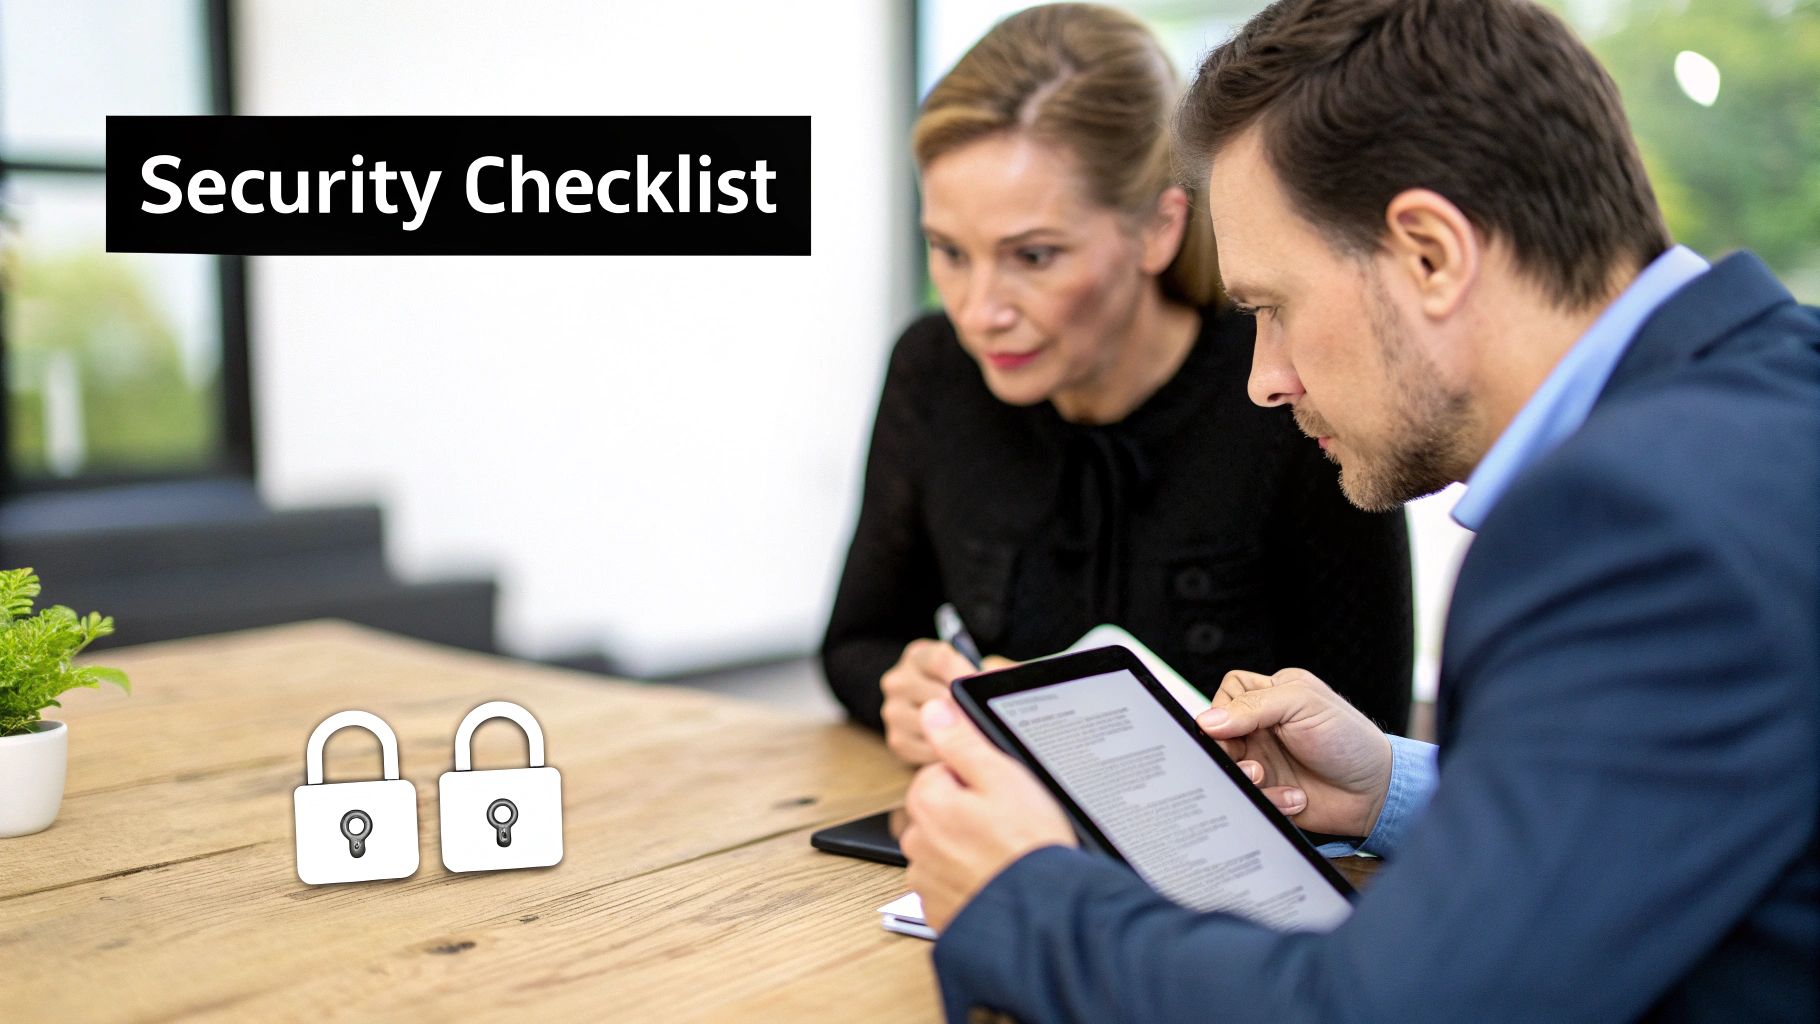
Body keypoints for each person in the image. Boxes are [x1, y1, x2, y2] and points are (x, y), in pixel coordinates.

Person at [899, 0, 1820, 1020]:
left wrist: (1020, 899)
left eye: (1270, 308)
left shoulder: (1627, 521)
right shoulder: (1772, 389)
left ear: (1428, 253)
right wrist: (1393, 785)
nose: (1263, 379)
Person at [821, 3, 1415, 769]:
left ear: (1158, 229)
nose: (979, 312)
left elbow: (1370, 727)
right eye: (949, 250)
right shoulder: (933, 370)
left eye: (1033, 256)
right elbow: (856, 645)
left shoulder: (1285, 386)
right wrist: (904, 694)